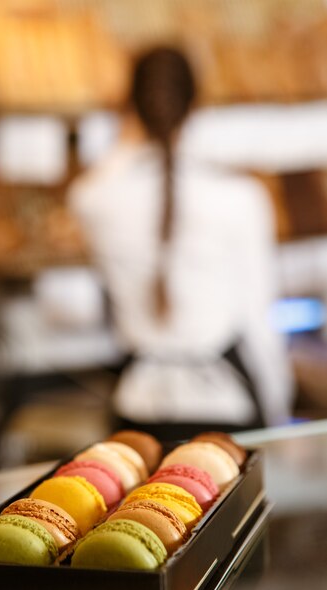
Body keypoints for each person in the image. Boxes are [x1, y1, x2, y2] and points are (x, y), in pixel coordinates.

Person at [68, 46, 294, 440]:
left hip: (137, 413)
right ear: (194, 102)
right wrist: (277, 413)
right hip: (229, 411)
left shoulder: (93, 199)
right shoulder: (239, 197)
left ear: (130, 104)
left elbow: (100, 177)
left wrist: (125, 130)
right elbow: (260, 324)